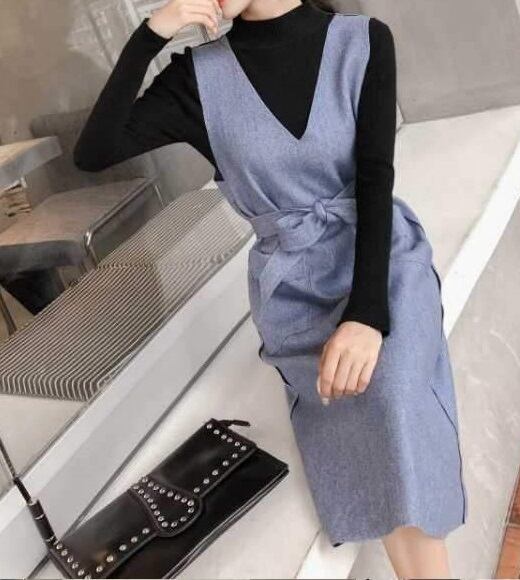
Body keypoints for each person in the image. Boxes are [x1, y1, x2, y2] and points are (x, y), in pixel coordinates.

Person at [73, 0, 468, 576]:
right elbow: (94, 153)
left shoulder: (362, 40)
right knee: (359, 403)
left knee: (393, 389)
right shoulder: (197, 77)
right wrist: (150, 33)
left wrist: (367, 316)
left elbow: (375, 179)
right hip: (293, 288)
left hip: (380, 264)